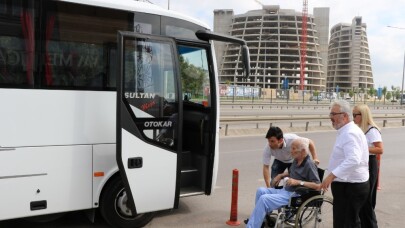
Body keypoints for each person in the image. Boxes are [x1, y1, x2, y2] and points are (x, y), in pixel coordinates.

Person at [246, 137, 321, 228]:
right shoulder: (297, 160)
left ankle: (252, 226)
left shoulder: (309, 164)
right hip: (286, 190)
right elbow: (291, 172)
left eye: (293, 148)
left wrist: (298, 182)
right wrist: (281, 175)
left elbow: (318, 186)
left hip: (295, 194)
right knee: (260, 191)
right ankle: (263, 219)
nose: (291, 151)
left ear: (303, 151)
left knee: (264, 199)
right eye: (291, 148)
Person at [320, 100, 370, 228]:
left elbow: (353, 159)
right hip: (347, 186)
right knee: (343, 222)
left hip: (351, 187)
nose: (330, 117)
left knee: (348, 223)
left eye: (333, 114)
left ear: (345, 116)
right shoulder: (346, 131)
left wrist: (331, 176)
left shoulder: (350, 133)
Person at [353, 104, 383, 228]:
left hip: (370, 164)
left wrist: (363, 148)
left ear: (363, 115)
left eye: (355, 115)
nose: (353, 118)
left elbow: (380, 149)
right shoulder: (360, 129)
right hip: (362, 165)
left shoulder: (372, 130)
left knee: (366, 201)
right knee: (361, 201)